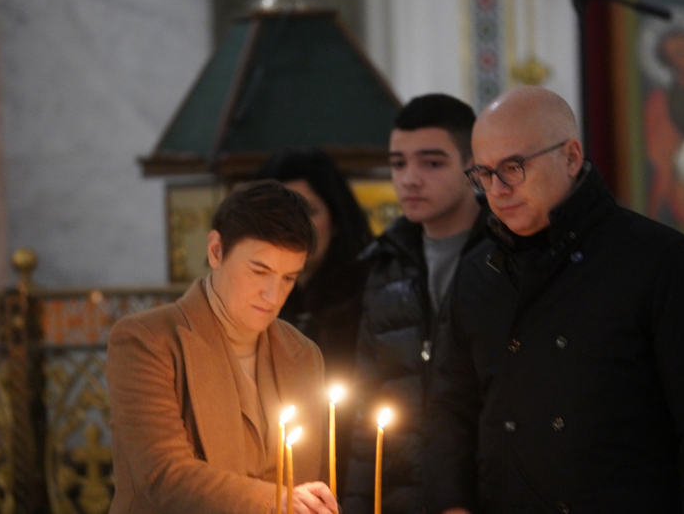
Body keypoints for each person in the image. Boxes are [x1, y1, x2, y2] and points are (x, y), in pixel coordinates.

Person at [426, 85, 684, 514]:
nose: (497, 189)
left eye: (513, 167)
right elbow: (450, 408)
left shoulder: (659, 260)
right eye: (483, 173)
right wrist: (451, 504)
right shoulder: (477, 272)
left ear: (571, 157)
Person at [106, 180, 338, 514]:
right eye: (259, 271)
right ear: (216, 251)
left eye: (288, 278)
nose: (273, 295)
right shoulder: (146, 340)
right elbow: (163, 475)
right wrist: (275, 501)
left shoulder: (303, 353)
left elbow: (309, 481)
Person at [343, 94, 485, 514]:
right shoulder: (386, 264)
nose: (409, 179)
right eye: (398, 163)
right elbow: (366, 407)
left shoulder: (506, 257)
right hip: (401, 496)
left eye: (432, 163)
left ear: (473, 167)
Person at [255, 147, 374, 491]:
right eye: (278, 212)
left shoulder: (369, 295)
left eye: (309, 211)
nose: (293, 226)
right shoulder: (246, 303)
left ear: (336, 220)